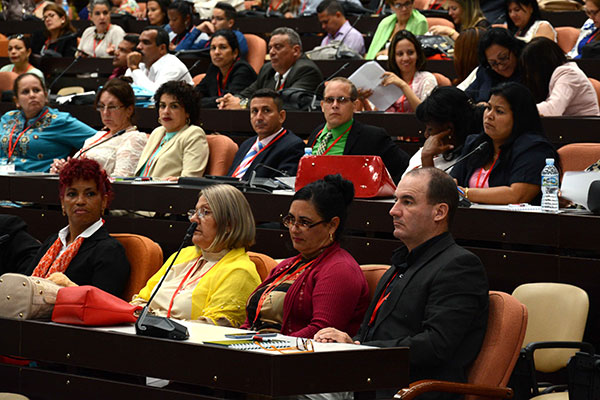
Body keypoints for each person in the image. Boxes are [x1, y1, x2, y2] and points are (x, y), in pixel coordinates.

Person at [314, 167, 489, 400]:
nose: (393, 210)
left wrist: (360, 349)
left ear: (439, 212)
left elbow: (436, 345)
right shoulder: (404, 262)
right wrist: (348, 343)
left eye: (407, 202)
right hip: (369, 379)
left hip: (411, 390)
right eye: (396, 200)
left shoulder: (459, 266)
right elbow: (371, 334)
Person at [242, 174, 369, 337]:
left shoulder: (340, 270)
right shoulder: (286, 265)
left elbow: (320, 332)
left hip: (295, 351)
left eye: (304, 222)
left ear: (332, 225)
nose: (294, 229)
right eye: (291, 219)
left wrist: (265, 346)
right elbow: (250, 321)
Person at [131, 184, 261, 326]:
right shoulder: (183, 254)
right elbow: (142, 299)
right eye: (194, 212)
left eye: (205, 212)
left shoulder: (240, 271)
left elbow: (212, 328)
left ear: (229, 224)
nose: (193, 219)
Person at [23, 158, 130, 297]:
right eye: (72, 194)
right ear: (63, 203)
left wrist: (69, 287)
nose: (80, 201)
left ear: (104, 202)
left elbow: (104, 305)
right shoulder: (52, 242)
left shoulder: (110, 250)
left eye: (90, 194)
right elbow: (24, 286)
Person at [452, 82, 559, 205]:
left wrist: (464, 193)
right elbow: (451, 183)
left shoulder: (535, 149)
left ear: (519, 118)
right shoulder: (476, 144)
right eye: (488, 108)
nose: (489, 116)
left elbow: (517, 195)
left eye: (499, 111)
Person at [307, 77, 410, 184]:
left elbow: (407, 168)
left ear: (354, 105)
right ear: (322, 106)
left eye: (342, 100)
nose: (335, 105)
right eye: (329, 100)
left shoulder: (372, 137)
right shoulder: (316, 133)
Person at [50, 78, 148, 177]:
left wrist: (77, 174)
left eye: (112, 107)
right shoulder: (97, 136)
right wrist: (64, 169)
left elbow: (120, 180)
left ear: (129, 110)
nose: (105, 113)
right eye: (101, 106)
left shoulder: (134, 138)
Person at [0, 73, 96, 172]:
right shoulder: (8, 118)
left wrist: (72, 166)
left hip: (38, 179)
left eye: (36, 90)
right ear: (17, 100)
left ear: (45, 96)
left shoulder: (60, 121)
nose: (32, 95)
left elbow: (99, 141)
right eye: (25, 92)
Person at [217, 27, 323, 110]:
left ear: (295, 50)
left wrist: (243, 104)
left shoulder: (307, 70)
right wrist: (230, 100)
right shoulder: (268, 69)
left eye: (278, 47)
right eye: (270, 48)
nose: (271, 52)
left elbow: (286, 101)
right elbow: (246, 93)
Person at [135, 81, 208, 179]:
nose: (166, 111)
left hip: (164, 188)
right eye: (162, 106)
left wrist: (177, 180)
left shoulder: (193, 134)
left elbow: (190, 179)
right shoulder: (157, 132)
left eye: (174, 106)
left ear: (188, 112)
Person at [228, 89, 305, 180]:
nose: (259, 117)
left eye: (266, 111)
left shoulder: (293, 146)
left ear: (281, 116)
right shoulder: (247, 144)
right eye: (255, 111)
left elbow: (282, 185)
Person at [404, 86, 480, 176]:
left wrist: (427, 159)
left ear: (449, 129)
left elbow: (431, 185)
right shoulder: (430, 149)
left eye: (430, 129)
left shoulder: (463, 164)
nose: (426, 135)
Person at [359, 31, 437, 113]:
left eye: (410, 53)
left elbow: (425, 114)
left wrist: (403, 86)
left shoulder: (427, 79)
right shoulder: (387, 80)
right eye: (400, 54)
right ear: (394, 57)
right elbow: (375, 116)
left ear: (418, 54)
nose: (405, 58)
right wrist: (363, 101)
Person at [520, 37, 599, 117]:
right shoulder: (557, 74)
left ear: (542, 65)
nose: (528, 75)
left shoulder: (569, 74)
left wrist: (518, 109)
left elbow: (553, 110)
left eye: (530, 70)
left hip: (584, 124)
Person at [194, 30, 257, 109]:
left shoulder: (243, 70)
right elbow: (195, 95)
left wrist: (199, 102)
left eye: (223, 47)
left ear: (235, 53)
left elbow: (228, 102)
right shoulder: (214, 68)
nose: (216, 52)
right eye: (213, 48)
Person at [461, 27, 524, 103]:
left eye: (503, 58)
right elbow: (465, 98)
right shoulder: (486, 70)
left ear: (514, 50)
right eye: (493, 63)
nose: (500, 67)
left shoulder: (528, 69)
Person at [125, 26, 194, 92]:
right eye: (139, 42)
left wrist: (135, 68)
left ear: (162, 48)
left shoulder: (173, 67)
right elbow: (124, 89)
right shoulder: (140, 64)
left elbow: (155, 95)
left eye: (146, 43)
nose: (138, 47)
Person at [174, 2, 248, 56]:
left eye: (219, 19)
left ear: (230, 23)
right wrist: (197, 30)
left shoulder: (237, 36)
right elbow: (179, 51)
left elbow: (240, 54)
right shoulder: (208, 42)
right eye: (212, 18)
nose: (213, 22)